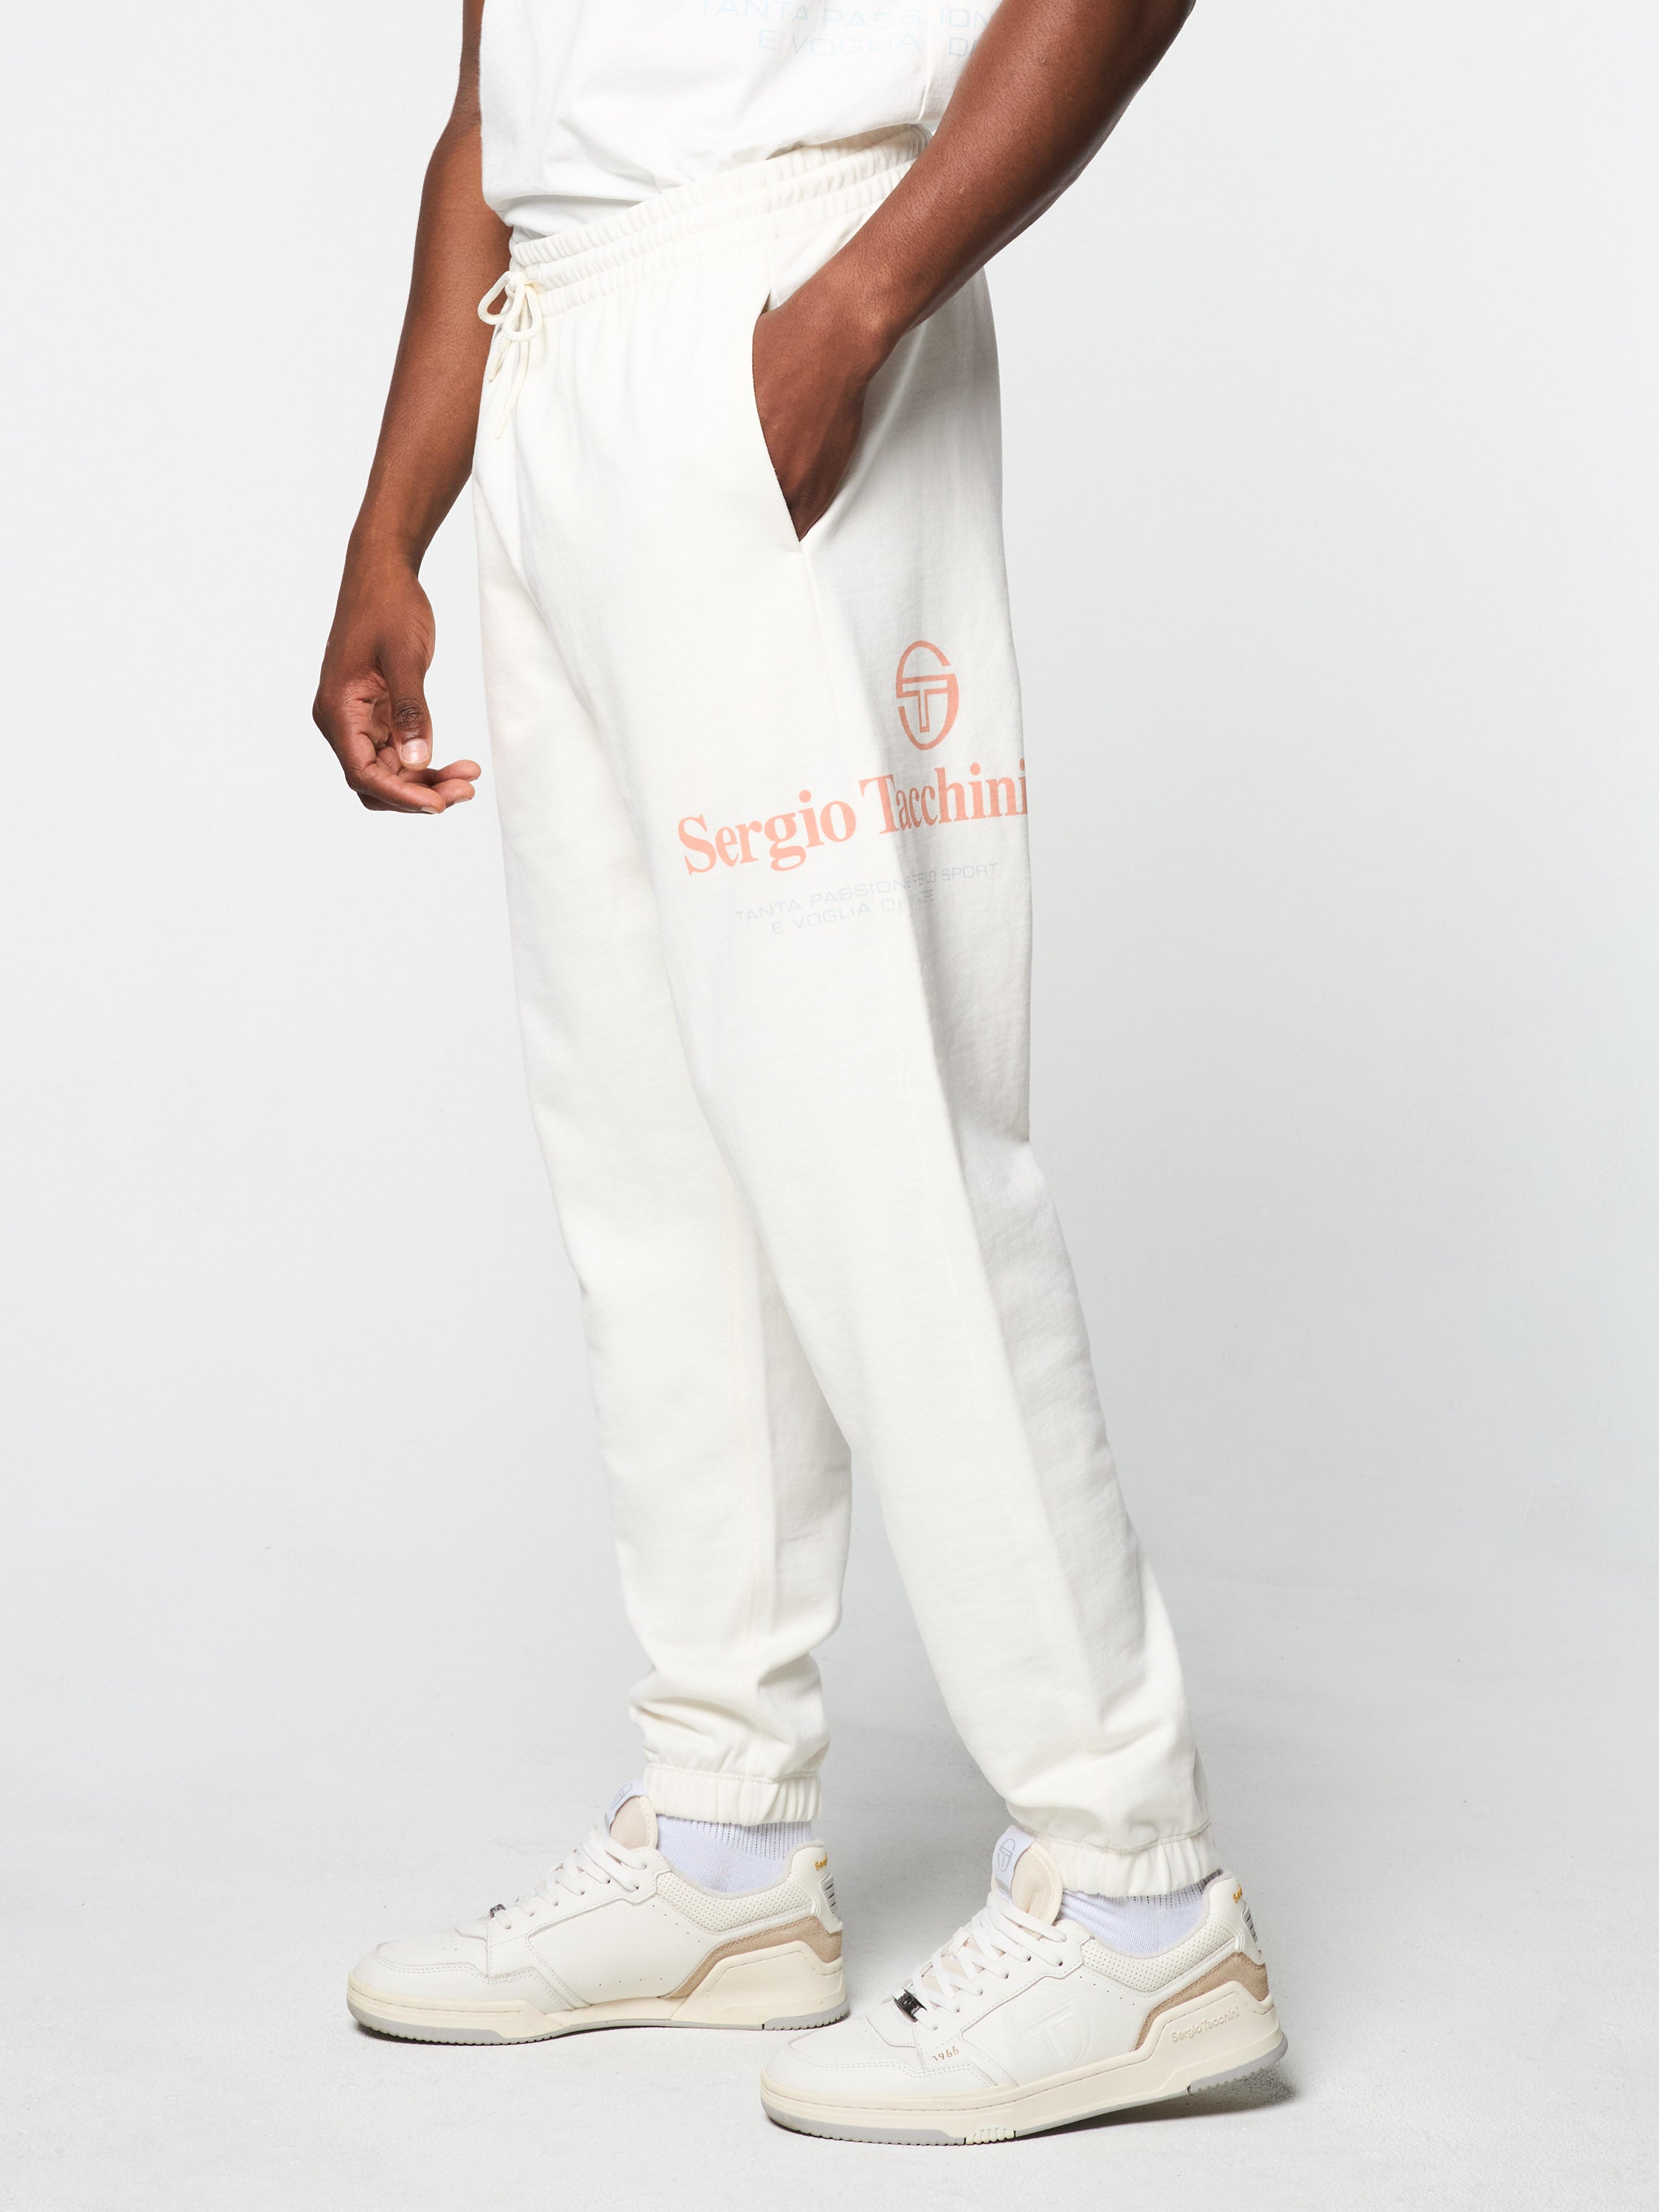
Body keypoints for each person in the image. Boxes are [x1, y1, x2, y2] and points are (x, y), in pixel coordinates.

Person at [315, 0, 1285, 2144]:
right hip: (554, 345)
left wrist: (851, 312)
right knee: (651, 1160)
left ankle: (1136, 1895)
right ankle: (723, 1847)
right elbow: (495, 91)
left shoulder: (819, 312)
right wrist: (397, 521)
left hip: (777, 294)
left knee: (880, 1146)